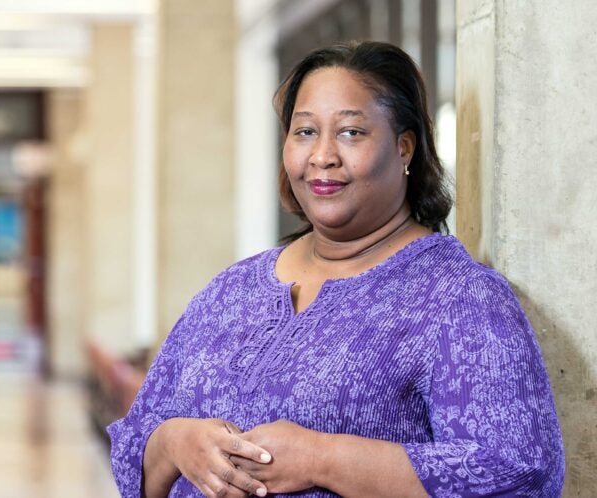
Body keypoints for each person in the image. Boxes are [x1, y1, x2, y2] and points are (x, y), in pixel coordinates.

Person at [108, 41, 565, 497]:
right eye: (305, 132)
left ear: (404, 147)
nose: (322, 155)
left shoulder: (458, 297)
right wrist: (173, 443)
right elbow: (135, 440)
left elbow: (518, 470)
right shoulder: (233, 289)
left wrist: (323, 459)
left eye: (351, 132)